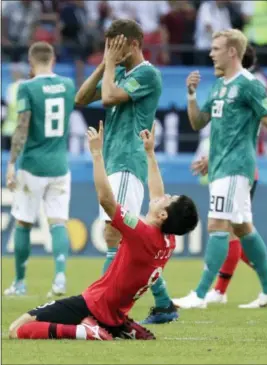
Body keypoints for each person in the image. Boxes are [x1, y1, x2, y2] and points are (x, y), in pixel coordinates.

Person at [8, 122, 199, 341]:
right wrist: (149, 153)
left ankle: (85, 331)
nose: (164, 196)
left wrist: (97, 154)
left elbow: (107, 201)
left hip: (94, 304)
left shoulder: (141, 233)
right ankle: (120, 326)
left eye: (169, 198)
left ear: (163, 215)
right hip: (115, 311)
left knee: (17, 329)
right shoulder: (168, 240)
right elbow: (157, 193)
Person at [76, 19, 178, 324]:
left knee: (114, 234)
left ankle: (99, 309)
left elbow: (108, 98)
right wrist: (106, 64)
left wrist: (109, 66)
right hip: (113, 159)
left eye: (115, 44)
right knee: (123, 238)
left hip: (128, 159)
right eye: (108, 46)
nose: (109, 51)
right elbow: (81, 99)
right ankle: (163, 304)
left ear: (133, 43)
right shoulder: (118, 72)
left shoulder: (147, 74)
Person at [172, 29, 267, 309]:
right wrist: (192, 96)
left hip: (236, 167)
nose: (211, 53)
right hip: (219, 166)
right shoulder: (220, 86)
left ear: (232, 52)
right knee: (243, 228)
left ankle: (201, 294)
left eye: (216, 48)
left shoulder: (249, 85)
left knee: (217, 225)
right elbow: (199, 123)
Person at [4, 42, 75, 297]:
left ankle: (20, 283)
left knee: (23, 222)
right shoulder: (67, 85)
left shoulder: (27, 87)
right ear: (53, 59)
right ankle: (59, 278)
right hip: (60, 164)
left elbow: (22, 126)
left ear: (31, 62)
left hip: (33, 165)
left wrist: (11, 163)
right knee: (58, 222)